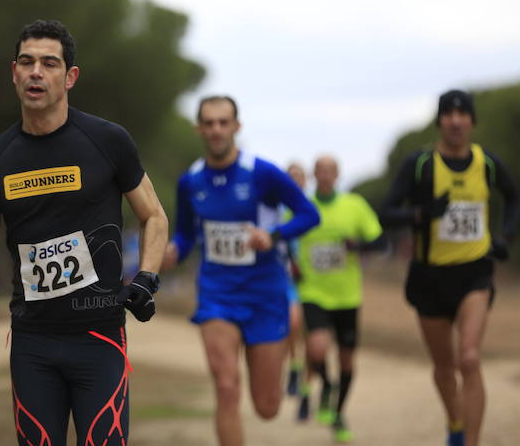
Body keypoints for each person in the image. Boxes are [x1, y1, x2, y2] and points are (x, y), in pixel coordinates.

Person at [0, 19, 168, 446]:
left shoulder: (107, 141)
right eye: (27, 62)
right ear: (14, 72)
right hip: (33, 342)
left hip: (99, 336)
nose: (36, 72)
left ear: (70, 77)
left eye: (49, 63)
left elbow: (154, 216)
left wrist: (147, 277)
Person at [162, 95, 319, 446]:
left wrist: (274, 235)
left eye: (223, 122)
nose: (216, 130)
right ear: (199, 129)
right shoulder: (191, 181)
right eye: (209, 123)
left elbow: (310, 214)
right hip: (218, 294)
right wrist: (175, 251)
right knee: (227, 386)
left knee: (267, 407)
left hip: (265, 295)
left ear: (236, 126)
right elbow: (188, 233)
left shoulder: (262, 173)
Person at [379, 89, 519, 446]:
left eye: (462, 114)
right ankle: (455, 422)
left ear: (472, 121)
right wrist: (421, 214)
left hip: (474, 273)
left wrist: (505, 236)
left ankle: (470, 441)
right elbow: (385, 212)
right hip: (429, 277)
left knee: (469, 359)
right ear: (440, 121)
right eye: (448, 114)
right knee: (445, 368)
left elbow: (514, 198)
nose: (456, 121)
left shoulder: (486, 163)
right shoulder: (420, 165)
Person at [292, 156, 384, 443]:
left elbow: (381, 241)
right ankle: (326, 385)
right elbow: (279, 237)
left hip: (347, 296)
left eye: (331, 171)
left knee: (347, 361)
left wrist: (357, 245)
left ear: (338, 175)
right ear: (314, 175)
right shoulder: (303, 207)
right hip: (313, 293)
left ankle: (339, 413)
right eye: (320, 171)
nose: (325, 176)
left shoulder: (354, 206)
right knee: (317, 350)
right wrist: (292, 262)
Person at [283, 162, 307, 397]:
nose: (295, 180)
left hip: (317, 282)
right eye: (291, 176)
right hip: (289, 280)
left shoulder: (313, 207)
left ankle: (305, 379)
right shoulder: (279, 210)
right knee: (293, 325)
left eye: (299, 177)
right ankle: (293, 366)